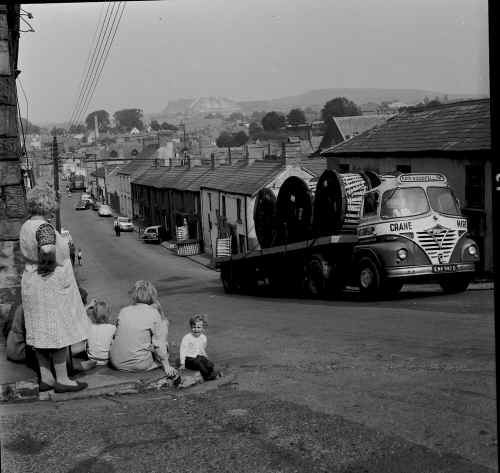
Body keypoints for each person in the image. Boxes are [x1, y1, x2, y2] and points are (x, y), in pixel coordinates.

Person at [19, 185, 90, 393]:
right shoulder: (45, 227)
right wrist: (48, 266)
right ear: (47, 204)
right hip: (50, 284)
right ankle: (63, 379)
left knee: (40, 331)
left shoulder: (26, 226)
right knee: (58, 330)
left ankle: (46, 377)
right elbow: (48, 249)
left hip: (32, 283)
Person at [109, 280, 177, 378]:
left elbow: (118, 334)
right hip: (138, 364)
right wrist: (166, 365)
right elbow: (159, 343)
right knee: (163, 327)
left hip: (116, 362)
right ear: (152, 295)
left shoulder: (124, 311)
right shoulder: (153, 313)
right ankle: (158, 362)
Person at [179, 314, 220, 381]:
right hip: (188, 359)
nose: (196, 329)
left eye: (198, 327)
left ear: (203, 328)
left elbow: (202, 349)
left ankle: (212, 372)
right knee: (198, 362)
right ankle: (207, 376)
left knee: (209, 363)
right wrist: (182, 363)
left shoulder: (203, 337)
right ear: (191, 327)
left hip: (197, 356)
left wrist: (205, 358)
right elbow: (182, 351)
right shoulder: (187, 338)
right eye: (194, 327)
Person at [86, 301, 116, 366]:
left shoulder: (89, 327)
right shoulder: (112, 328)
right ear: (108, 314)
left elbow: (81, 314)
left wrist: (89, 306)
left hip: (91, 358)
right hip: (106, 360)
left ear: (93, 315)